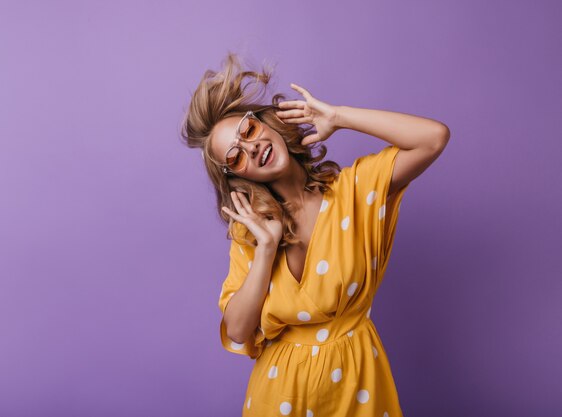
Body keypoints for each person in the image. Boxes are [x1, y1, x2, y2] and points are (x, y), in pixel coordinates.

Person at [180, 53, 450, 417]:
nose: (251, 148)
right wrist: (266, 249)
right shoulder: (252, 232)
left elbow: (433, 138)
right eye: (235, 156)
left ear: (268, 124)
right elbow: (239, 330)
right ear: (236, 177)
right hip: (278, 391)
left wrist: (339, 117)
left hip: (357, 382)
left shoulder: (355, 190)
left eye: (248, 131)